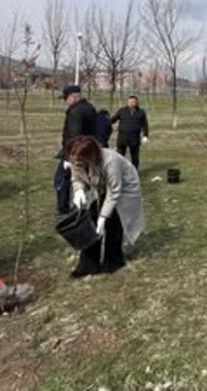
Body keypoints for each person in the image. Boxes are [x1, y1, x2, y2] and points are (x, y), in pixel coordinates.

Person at [67, 136, 145, 278]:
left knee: (114, 221)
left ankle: (113, 261)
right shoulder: (76, 159)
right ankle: (88, 264)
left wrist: (103, 217)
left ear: (90, 157)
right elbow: (76, 177)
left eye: (79, 161)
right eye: (73, 161)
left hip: (124, 187)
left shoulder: (110, 162)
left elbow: (114, 192)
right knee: (91, 220)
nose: (75, 164)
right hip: (103, 184)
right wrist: (78, 190)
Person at [55, 86, 100, 214]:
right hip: (89, 149)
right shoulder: (89, 108)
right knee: (83, 179)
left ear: (73, 97)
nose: (66, 102)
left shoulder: (76, 112)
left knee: (61, 179)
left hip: (76, 152)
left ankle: (64, 209)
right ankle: (83, 206)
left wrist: (68, 156)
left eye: (66, 99)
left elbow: (74, 135)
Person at [110, 95, 150, 171]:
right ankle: (118, 170)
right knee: (119, 156)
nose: (131, 103)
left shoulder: (141, 112)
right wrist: (105, 122)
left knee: (135, 157)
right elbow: (113, 119)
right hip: (122, 137)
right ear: (127, 102)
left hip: (134, 138)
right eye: (130, 102)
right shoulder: (122, 111)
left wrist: (145, 135)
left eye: (133, 102)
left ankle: (134, 171)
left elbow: (145, 124)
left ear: (137, 103)